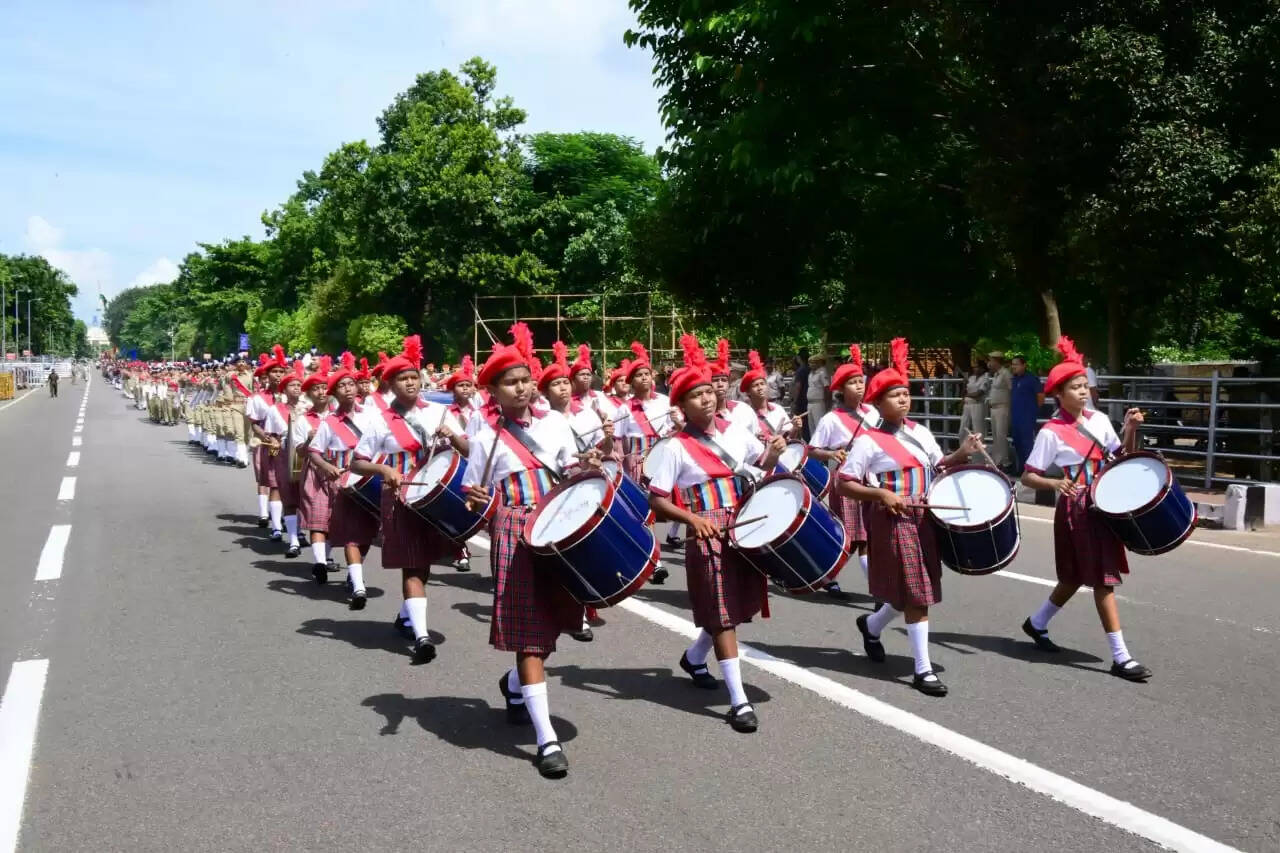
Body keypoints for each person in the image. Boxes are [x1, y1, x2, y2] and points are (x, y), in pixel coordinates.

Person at [462, 327, 601, 778]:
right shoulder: (485, 438)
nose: (521, 387)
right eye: (510, 382)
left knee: (556, 625)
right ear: (494, 392)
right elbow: (473, 495)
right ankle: (546, 741)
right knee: (529, 636)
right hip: (515, 531)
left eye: (525, 379)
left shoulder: (557, 424)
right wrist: (479, 501)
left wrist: (587, 467)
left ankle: (513, 685)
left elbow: (570, 470)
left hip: (556, 527)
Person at [647, 334, 786, 733]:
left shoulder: (736, 431)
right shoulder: (674, 448)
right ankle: (738, 701)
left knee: (733, 608)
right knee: (723, 614)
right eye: (695, 395)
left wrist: (772, 456)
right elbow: (656, 499)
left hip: (741, 523)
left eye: (708, 391)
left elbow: (756, 470)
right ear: (681, 406)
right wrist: (692, 521)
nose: (706, 399)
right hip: (706, 529)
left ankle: (694, 658)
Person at [843, 338, 985, 697]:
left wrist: (962, 454)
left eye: (906, 393)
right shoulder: (868, 442)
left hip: (926, 514)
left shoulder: (921, 432)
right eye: (894, 395)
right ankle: (923, 670)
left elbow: (938, 465)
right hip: (893, 516)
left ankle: (871, 627)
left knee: (912, 588)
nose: (903, 399)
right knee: (918, 594)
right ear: (877, 402)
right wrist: (880, 494)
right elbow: (844, 483)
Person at [1019, 337, 1150, 682]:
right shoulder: (1052, 432)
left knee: (1075, 577)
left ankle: (1036, 623)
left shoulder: (1101, 420)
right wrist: (1053, 484)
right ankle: (1121, 657)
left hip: (1104, 501)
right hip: (1077, 507)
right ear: (1058, 395)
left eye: (1084, 386)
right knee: (1102, 580)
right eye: (1073, 388)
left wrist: (1132, 430)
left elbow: (1121, 457)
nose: (1082, 392)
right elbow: (1028, 476)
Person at [350, 336, 454, 664]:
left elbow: (466, 451)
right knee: (412, 563)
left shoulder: (439, 412)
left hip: (433, 496)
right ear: (391, 385)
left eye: (414, 376)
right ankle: (422, 637)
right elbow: (356, 461)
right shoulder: (380, 420)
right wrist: (382, 468)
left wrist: (452, 437)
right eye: (402, 378)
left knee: (424, 564)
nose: (410, 382)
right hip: (399, 497)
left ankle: (405, 615)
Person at [539, 341, 615, 642]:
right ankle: (564, 609)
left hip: (587, 482)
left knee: (585, 547)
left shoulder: (588, 414)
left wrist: (606, 442)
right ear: (544, 391)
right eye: (554, 384)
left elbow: (604, 450)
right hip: (556, 487)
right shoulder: (542, 421)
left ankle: (583, 607)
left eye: (564, 382)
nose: (562, 388)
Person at [809, 344, 882, 600]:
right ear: (841, 388)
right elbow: (812, 450)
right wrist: (830, 454)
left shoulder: (874, 413)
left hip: (871, 479)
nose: (859, 386)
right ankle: (879, 592)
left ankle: (827, 576)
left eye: (861, 381)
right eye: (852, 382)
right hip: (847, 478)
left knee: (859, 537)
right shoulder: (831, 419)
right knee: (857, 538)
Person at [308, 355, 381, 610]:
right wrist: (327, 467)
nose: (349, 388)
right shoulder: (329, 422)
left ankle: (354, 574)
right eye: (342, 386)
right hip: (345, 482)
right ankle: (359, 587)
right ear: (334, 393)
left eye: (351, 384)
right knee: (351, 534)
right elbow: (314, 451)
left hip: (371, 479)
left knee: (367, 534)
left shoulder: (372, 414)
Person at [615, 342, 679, 579]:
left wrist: (676, 422)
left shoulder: (665, 402)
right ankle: (656, 561)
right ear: (631, 381)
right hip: (637, 464)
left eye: (646, 374)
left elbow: (677, 432)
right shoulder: (625, 409)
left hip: (663, 460)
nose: (643, 378)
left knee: (665, 509)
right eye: (638, 375)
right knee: (645, 512)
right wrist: (622, 469)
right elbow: (620, 441)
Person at [1009, 356, 1043, 474]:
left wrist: (1032, 411)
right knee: (1017, 443)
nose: (1014, 367)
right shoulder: (1014, 380)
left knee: (1027, 444)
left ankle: (1031, 471)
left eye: (1016, 364)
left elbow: (1040, 397)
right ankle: (1021, 469)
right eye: (1012, 364)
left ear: (1024, 365)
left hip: (1027, 417)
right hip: (1015, 416)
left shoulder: (1032, 379)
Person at [986, 351, 1013, 469]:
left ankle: (1005, 462)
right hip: (994, 408)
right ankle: (997, 461)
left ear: (996, 361)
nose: (989, 363)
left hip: (1003, 408)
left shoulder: (1006, 373)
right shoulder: (996, 374)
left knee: (1001, 435)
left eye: (991, 360)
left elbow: (1011, 389)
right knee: (996, 436)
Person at [958, 362, 989, 443]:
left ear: (982, 368)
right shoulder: (971, 378)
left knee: (978, 429)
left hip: (977, 404)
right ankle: (963, 450)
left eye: (977, 367)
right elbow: (964, 392)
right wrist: (964, 384)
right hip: (967, 404)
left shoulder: (986, 377)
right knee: (962, 429)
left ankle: (978, 453)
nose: (975, 369)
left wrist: (967, 395)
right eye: (974, 367)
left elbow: (979, 393)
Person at [805, 354, 831, 436]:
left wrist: (827, 403)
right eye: (810, 363)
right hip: (810, 403)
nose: (811, 365)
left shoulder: (822, 372)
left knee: (819, 426)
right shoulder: (811, 373)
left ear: (818, 363)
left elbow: (826, 388)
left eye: (813, 363)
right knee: (811, 426)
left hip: (818, 403)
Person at [790, 349, 811, 439]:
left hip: (801, 401)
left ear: (799, 358)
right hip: (808, 400)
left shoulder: (801, 370)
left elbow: (798, 387)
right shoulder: (810, 369)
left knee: (801, 424)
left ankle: (803, 443)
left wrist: (794, 401)